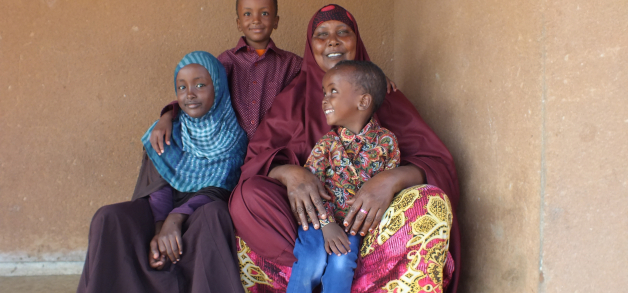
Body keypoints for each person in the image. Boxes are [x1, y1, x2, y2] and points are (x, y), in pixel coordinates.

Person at [229, 4, 461, 293]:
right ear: (310, 45)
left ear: (357, 41)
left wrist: (390, 180)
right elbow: (256, 160)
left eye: (343, 32)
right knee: (248, 196)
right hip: (312, 229)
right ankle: (317, 271)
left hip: (373, 230)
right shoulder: (293, 96)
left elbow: (437, 162)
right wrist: (290, 174)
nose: (332, 41)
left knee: (431, 201)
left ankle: (364, 273)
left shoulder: (382, 95)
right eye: (321, 34)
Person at [77, 51, 247, 293]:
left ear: (218, 87)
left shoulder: (234, 137)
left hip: (201, 207)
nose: (189, 94)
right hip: (161, 209)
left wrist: (176, 219)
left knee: (215, 216)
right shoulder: (167, 131)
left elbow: (220, 188)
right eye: (181, 87)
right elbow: (159, 184)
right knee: (108, 217)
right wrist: (159, 230)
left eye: (200, 85)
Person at [287, 60, 400, 293]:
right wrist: (327, 225)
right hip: (319, 222)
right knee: (311, 260)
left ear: (363, 101)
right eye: (324, 92)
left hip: (354, 227)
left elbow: (389, 189)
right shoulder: (327, 144)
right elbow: (312, 189)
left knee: (342, 265)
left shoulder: (387, 142)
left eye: (333, 91)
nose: (324, 99)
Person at [151, 0, 302, 150]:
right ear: (238, 23)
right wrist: (168, 115)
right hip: (230, 149)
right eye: (247, 14)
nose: (256, 20)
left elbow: (314, 85)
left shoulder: (292, 64)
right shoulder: (226, 61)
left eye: (264, 13)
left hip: (270, 151)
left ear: (276, 21)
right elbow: (200, 92)